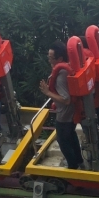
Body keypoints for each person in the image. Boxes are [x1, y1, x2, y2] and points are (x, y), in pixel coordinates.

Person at [39, 41, 83, 169]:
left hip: (64, 115)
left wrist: (47, 92)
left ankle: (72, 165)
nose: (49, 60)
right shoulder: (66, 68)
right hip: (71, 114)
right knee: (72, 136)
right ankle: (78, 160)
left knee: (63, 141)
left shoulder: (60, 77)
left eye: (51, 58)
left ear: (60, 58)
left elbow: (66, 99)